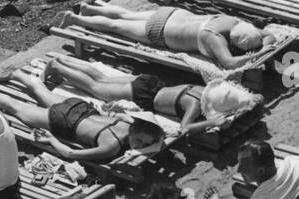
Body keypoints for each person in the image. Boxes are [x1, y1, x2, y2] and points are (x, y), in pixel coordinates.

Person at [0, 67, 165, 163]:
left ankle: (18, 74)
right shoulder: (111, 146)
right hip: (64, 120)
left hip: (80, 107)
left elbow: (156, 131)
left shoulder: (127, 122)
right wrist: (51, 140)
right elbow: (71, 153)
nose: (141, 147)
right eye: (142, 142)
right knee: (15, 107)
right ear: (137, 133)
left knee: (42, 92)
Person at [41, 55, 260, 138]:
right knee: (95, 87)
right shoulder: (194, 105)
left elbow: (250, 100)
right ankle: (58, 69)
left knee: (101, 78)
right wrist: (211, 121)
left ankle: (62, 62)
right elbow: (184, 129)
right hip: (142, 95)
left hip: (150, 83)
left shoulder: (198, 91)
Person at [60, 3, 268, 72]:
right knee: (116, 26)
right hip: (161, 32)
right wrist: (259, 54)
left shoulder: (232, 21)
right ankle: (76, 19)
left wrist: (265, 43)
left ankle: (89, 8)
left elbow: (268, 35)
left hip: (172, 14)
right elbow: (230, 63)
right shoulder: (215, 38)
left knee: (126, 14)